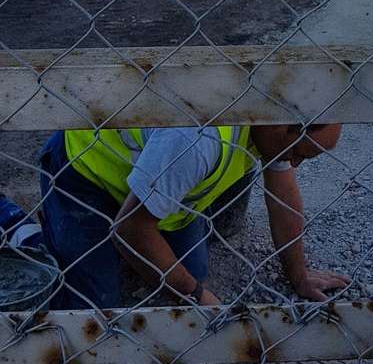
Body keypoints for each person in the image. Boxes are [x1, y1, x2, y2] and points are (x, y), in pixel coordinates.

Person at [31, 123, 349, 308]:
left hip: (146, 190)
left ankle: (113, 248)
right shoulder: (199, 140)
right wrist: (198, 297)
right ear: (282, 124)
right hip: (85, 175)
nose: (294, 164)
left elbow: (283, 198)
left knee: (190, 269)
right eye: (298, 154)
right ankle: (22, 229)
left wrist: (299, 274)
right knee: (93, 310)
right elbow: (129, 227)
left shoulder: (269, 123)